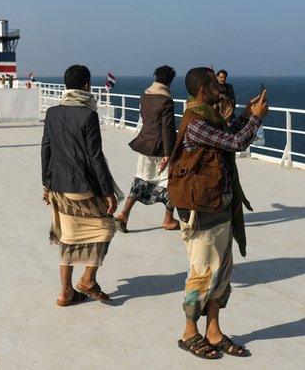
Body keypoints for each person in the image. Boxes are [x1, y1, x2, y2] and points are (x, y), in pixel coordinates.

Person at [167, 67, 268, 359]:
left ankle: (213, 330)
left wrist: (248, 116)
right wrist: (257, 119)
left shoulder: (209, 117)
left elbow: (227, 134)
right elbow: (236, 143)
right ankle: (189, 332)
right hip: (202, 209)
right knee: (201, 273)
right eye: (214, 85)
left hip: (219, 205)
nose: (220, 89)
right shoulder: (196, 122)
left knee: (221, 273)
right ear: (202, 91)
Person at [41, 64, 118, 307]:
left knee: (69, 237)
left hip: (59, 186)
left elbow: (46, 148)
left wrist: (46, 183)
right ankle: (87, 279)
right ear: (87, 85)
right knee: (106, 227)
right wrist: (108, 192)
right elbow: (95, 157)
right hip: (82, 187)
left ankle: (66, 293)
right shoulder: (88, 115)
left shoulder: (52, 113)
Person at [115, 65, 179, 232]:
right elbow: (167, 129)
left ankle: (124, 214)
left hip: (144, 143)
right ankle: (168, 218)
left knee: (141, 179)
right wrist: (168, 153)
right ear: (170, 81)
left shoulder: (145, 95)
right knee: (171, 181)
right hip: (160, 147)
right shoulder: (166, 100)